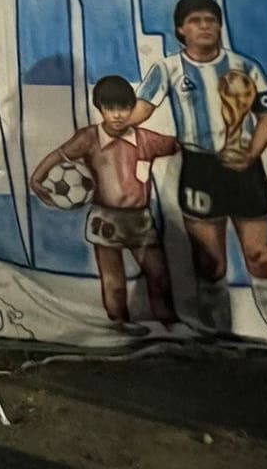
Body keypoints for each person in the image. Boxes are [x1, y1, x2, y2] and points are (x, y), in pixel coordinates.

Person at [131, 0, 267, 346]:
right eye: (196, 21)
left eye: (211, 20)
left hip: (245, 169)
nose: (205, 26)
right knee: (212, 266)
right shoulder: (167, 69)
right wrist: (107, 127)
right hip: (200, 169)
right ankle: (218, 340)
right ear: (181, 29)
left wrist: (252, 152)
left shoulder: (245, 67)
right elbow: (141, 110)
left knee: (260, 259)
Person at [31, 76, 180, 333]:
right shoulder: (89, 138)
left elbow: (178, 144)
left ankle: (169, 321)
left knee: (158, 274)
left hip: (140, 218)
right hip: (105, 218)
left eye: (124, 108)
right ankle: (119, 322)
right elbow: (58, 155)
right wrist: (37, 179)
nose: (118, 115)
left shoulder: (145, 139)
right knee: (114, 281)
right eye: (111, 109)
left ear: (133, 108)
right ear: (100, 108)